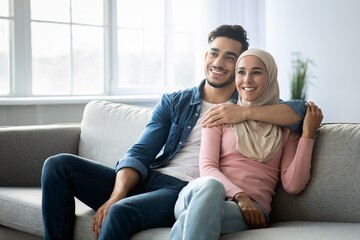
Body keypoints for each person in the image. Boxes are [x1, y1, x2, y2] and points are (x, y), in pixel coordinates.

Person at [41, 25, 307, 240]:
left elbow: (300, 111)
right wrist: (116, 194)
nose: (219, 62)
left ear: (240, 66)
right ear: (206, 56)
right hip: (150, 180)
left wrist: (243, 112)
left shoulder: (251, 98)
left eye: (230, 57)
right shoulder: (176, 101)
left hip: (185, 190)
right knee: (58, 165)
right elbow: (141, 152)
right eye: (214, 53)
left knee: (121, 212)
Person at [169, 48, 323, 240]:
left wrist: (307, 135)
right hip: (198, 194)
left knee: (189, 219)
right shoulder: (221, 115)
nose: (247, 79)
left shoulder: (286, 130)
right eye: (241, 72)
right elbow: (207, 168)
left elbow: (293, 185)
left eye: (256, 72)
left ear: (270, 77)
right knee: (211, 186)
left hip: (251, 211)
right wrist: (241, 196)